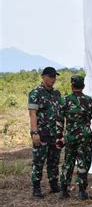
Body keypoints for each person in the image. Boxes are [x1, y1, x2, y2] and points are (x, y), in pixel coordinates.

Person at [56, 75, 92, 200]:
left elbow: (59, 121)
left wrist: (59, 137)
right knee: (83, 163)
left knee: (68, 163)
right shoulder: (90, 101)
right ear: (83, 86)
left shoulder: (64, 100)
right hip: (85, 136)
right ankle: (81, 191)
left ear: (71, 86)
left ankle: (63, 190)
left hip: (70, 136)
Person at [27, 66, 63, 197]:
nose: (53, 79)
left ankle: (54, 184)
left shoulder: (57, 94)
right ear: (43, 77)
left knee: (54, 161)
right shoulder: (35, 93)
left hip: (54, 134)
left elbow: (60, 113)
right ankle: (36, 188)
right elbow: (32, 114)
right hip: (41, 134)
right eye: (50, 76)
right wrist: (35, 133)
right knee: (38, 162)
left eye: (54, 77)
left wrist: (60, 133)